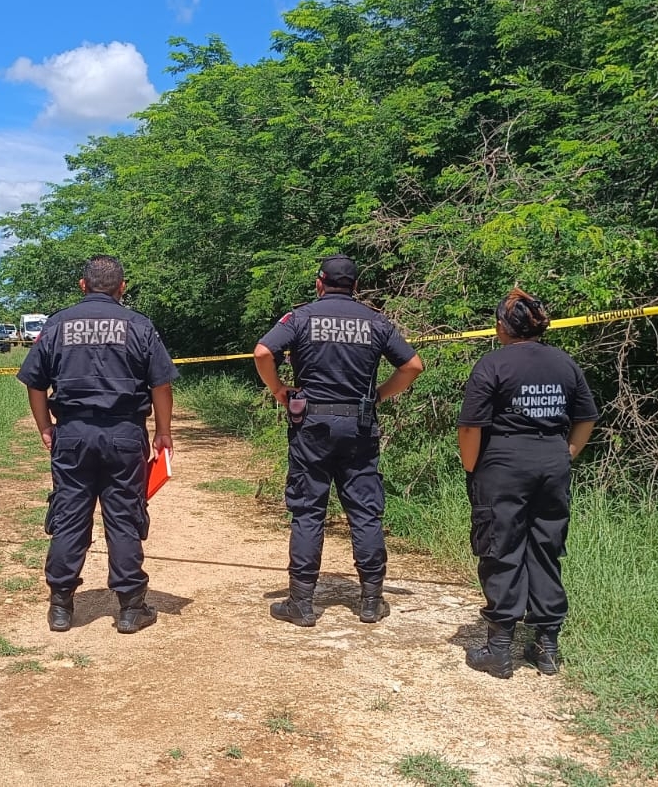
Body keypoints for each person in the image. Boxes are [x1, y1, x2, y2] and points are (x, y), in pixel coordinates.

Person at [253, 254, 424, 627]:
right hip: (359, 425)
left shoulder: (300, 318)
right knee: (364, 511)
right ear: (355, 287)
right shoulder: (375, 322)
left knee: (308, 510)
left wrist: (278, 389)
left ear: (320, 282)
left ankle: (301, 602)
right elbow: (413, 366)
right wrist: (379, 395)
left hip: (311, 424)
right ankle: (370, 600)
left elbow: (264, 351)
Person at [17, 255, 178, 634]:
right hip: (124, 433)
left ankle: (60, 606)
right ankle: (130, 608)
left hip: (72, 434)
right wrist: (164, 431)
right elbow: (162, 384)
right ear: (122, 287)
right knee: (124, 516)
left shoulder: (57, 324)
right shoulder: (139, 325)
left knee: (70, 514)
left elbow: (34, 382)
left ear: (82, 285)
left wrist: (45, 427)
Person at [457, 288, 597, 678]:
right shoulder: (564, 363)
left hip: (503, 466)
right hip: (552, 465)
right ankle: (546, 647)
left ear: (502, 326)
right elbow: (586, 417)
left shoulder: (493, 365)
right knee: (545, 548)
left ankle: (499, 650)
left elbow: (470, 426)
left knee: (501, 548)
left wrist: (473, 468)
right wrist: (566, 453)